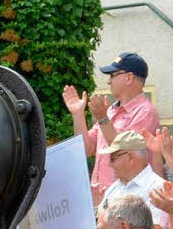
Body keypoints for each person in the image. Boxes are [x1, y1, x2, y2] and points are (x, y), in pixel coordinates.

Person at [62, 52, 160, 192]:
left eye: (113, 75)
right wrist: (78, 113)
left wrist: (102, 118)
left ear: (129, 77)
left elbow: (124, 151)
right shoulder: (111, 111)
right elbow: (85, 149)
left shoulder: (145, 112)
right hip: (102, 197)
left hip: (126, 197)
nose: (109, 81)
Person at [97, 131, 171, 229]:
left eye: (113, 158)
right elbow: (100, 225)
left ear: (130, 157)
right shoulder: (114, 188)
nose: (110, 164)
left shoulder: (156, 187)